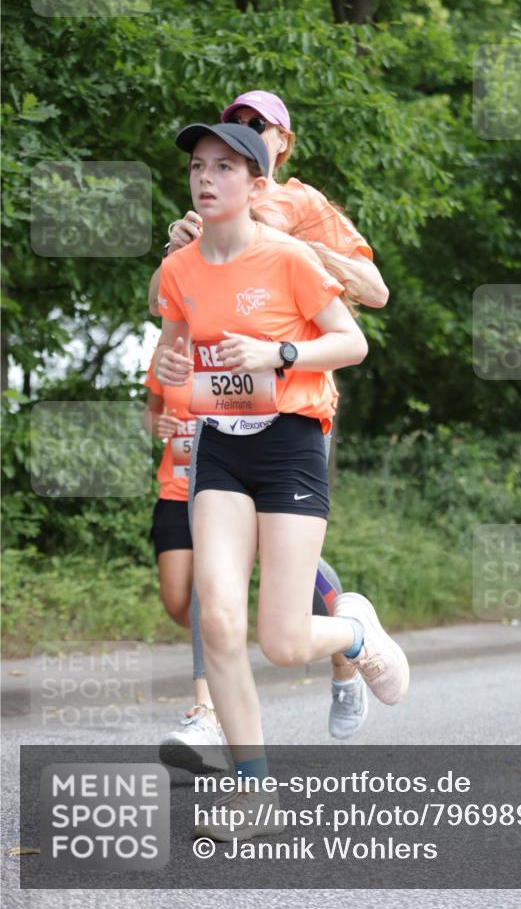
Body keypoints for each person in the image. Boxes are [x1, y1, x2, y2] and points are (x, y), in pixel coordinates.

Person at [154, 121, 409, 840]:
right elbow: (174, 357)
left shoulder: (288, 256)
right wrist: (172, 368)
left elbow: (351, 341)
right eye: (198, 168)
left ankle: (355, 632)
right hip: (220, 451)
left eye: (224, 168)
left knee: (284, 642)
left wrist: (278, 350)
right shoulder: (179, 269)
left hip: (291, 443)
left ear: (257, 184)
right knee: (218, 620)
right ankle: (253, 792)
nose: (206, 179)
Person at [143, 347, 227, 772]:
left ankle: (207, 710)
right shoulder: (169, 352)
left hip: (223, 489)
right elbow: (151, 412)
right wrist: (157, 425)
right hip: (175, 491)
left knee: (205, 594)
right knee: (178, 602)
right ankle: (226, 655)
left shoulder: (236, 341)